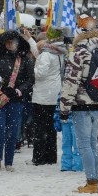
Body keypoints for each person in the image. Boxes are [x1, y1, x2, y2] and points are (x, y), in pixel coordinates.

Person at [60, 15, 98, 193]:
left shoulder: (78, 52)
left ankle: (91, 182)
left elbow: (70, 82)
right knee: (93, 143)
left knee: (84, 144)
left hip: (82, 104)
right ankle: (94, 180)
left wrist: (64, 108)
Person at [0, 30, 34, 171]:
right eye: (8, 42)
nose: (11, 44)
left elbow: (30, 79)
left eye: (13, 42)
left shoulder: (24, 58)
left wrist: (20, 90)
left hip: (16, 100)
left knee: (13, 131)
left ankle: (9, 162)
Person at [30, 34, 65, 166]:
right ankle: (51, 156)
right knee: (51, 127)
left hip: (42, 94)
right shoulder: (58, 53)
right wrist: (29, 39)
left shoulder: (45, 55)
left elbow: (40, 73)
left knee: (40, 126)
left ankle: (39, 157)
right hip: (54, 92)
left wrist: (32, 69)